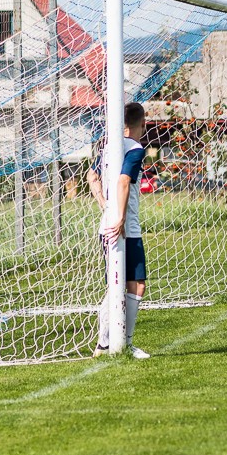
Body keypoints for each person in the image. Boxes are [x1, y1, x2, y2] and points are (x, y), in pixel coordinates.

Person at [88, 102, 151, 359]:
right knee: (135, 285)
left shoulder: (108, 148)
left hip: (107, 226)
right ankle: (120, 343)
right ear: (143, 124)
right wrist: (121, 217)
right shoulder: (135, 149)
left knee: (118, 284)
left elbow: (92, 177)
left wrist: (104, 205)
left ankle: (105, 345)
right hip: (125, 228)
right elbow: (124, 181)